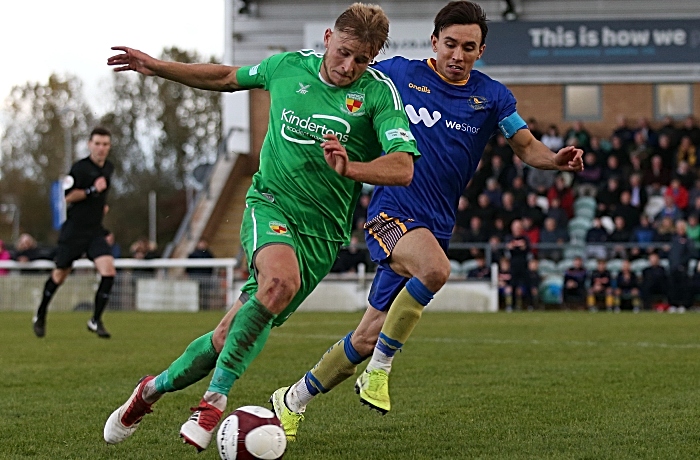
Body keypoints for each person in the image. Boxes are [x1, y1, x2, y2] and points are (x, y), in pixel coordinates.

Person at [103, 3, 420, 452]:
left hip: (321, 236)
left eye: (362, 59)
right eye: (344, 52)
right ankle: (213, 402)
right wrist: (157, 67)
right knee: (278, 281)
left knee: (224, 336)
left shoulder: (378, 95)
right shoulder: (287, 67)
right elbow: (224, 78)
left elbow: (403, 167)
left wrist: (353, 168)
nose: (349, 66)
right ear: (328, 38)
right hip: (269, 203)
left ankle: (148, 392)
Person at [270, 0, 583, 442]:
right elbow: (343, 82)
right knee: (435, 270)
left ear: (481, 50)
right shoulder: (397, 74)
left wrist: (555, 159)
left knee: (365, 335)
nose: (458, 55)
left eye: (468, 47)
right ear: (434, 42)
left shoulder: (492, 97)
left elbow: (526, 145)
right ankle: (379, 370)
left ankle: (293, 398)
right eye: (450, 44)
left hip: (436, 223)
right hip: (389, 213)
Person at [31, 127, 116, 339]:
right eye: (97, 144)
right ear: (90, 145)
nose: (101, 148)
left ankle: (95, 320)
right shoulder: (79, 168)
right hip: (75, 232)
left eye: (105, 144)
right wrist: (91, 191)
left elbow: (101, 198)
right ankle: (40, 313)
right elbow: (68, 196)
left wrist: (101, 209)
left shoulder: (109, 168)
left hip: (95, 232)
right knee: (59, 276)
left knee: (108, 271)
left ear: (109, 147)